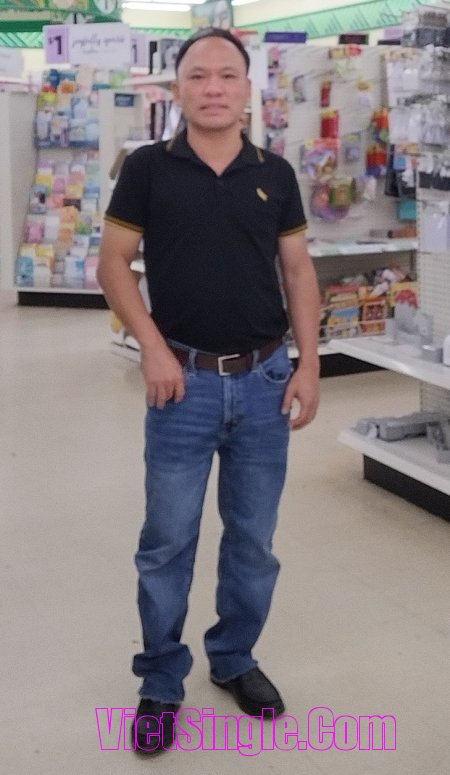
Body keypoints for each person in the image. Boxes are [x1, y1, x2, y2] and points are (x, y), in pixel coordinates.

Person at [97, 27, 320, 755]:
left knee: (253, 541)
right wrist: (153, 349)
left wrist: (310, 364)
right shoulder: (147, 169)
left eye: (227, 75)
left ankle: (233, 657)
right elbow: (113, 263)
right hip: (181, 387)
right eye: (199, 76)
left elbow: (297, 272)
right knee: (167, 541)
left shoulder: (276, 174)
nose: (214, 88)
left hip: (264, 382)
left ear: (248, 89)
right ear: (178, 89)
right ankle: (162, 680)